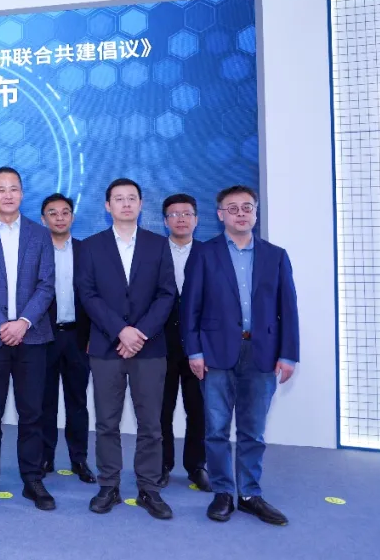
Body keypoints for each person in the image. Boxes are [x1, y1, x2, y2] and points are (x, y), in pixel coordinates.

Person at [181, 185, 299, 526]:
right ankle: (222, 492)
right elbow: (190, 307)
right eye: (232, 208)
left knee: (253, 431)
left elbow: (288, 308)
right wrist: (194, 351)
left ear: (255, 213)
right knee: (216, 430)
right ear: (221, 215)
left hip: (263, 353)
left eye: (247, 207)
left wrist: (288, 355)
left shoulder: (276, 256)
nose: (241, 213)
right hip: (215, 353)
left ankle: (249, 494)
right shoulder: (204, 254)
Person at [78, 178, 176, 520]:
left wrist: (140, 332)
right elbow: (87, 294)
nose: (126, 204)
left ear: (141, 204)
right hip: (106, 347)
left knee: (151, 424)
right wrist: (120, 330)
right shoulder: (91, 246)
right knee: (107, 422)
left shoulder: (158, 245)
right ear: (108, 206)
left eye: (132, 198)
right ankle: (109, 485)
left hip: (149, 348)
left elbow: (167, 294)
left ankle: (149, 488)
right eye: (118, 199)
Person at [0, 167, 55, 512]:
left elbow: (46, 284)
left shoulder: (40, 234)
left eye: (13, 188)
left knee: (32, 412)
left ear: (22, 193)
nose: (7, 194)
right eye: (0, 189)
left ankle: (33, 478)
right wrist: (3, 324)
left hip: (32, 336)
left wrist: (23, 323)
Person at [39, 193, 95, 484]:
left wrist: (94, 335)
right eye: (53, 213)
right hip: (44, 336)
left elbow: (96, 297)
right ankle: (45, 456)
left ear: (72, 217)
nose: (59, 218)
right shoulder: (35, 251)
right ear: (43, 219)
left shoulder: (87, 251)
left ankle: (79, 459)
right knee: (44, 401)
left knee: (78, 401)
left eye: (64, 212)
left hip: (78, 336)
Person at [158, 193, 210, 492]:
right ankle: (162, 464)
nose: (181, 219)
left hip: (199, 347)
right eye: (174, 214)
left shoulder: (209, 253)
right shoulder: (153, 252)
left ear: (196, 219)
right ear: (165, 221)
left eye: (187, 214)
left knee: (198, 409)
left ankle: (196, 465)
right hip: (160, 344)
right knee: (161, 410)